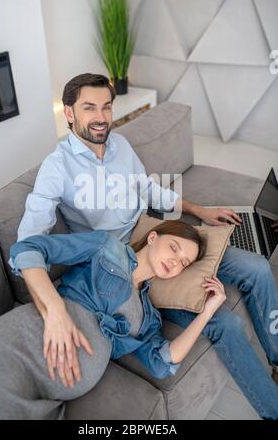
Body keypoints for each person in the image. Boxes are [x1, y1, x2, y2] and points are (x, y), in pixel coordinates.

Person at [15, 73, 278, 417]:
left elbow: (149, 190)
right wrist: (53, 311)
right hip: (124, 263)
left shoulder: (120, 145)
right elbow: (28, 243)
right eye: (89, 107)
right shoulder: (57, 167)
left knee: (257, 267)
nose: (100, 117)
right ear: (69, 113)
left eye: (106, 107)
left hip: (156, 233)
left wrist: (199, 210)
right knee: (223, 323)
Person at [0, 221, 216, 419]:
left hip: (51, 389)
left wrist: (206, 313)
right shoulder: (108, 247)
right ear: (153, 237)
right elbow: (28, 250)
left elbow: (163, 363)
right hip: (23, 344)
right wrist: (56, 310)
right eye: (174, 248)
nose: (176, 262)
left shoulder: (150, 318)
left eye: (184, 263)